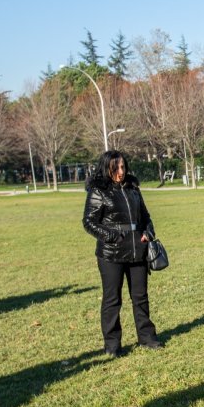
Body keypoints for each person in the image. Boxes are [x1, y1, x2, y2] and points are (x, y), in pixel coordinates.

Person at [82, 151, 160, 357]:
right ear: (107, 168)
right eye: (116, 168)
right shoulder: (98, 190)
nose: (121, 172)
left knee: (140, 297)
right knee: (112, 299)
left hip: (137, 250)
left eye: (123, 167)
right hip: (111, 254)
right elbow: (89, 222)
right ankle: (112, 345)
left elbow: (146, 217)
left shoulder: (133, 188)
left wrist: (147, 233)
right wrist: (113, 237)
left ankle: (147, 337)